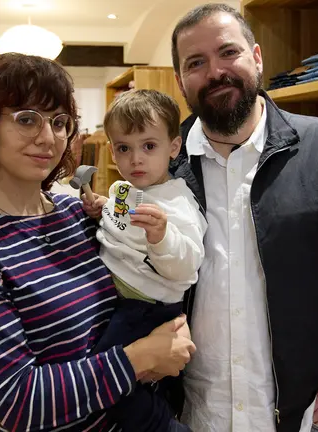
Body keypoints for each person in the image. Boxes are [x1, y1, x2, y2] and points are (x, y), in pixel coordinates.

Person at [168, 4, 318, 432]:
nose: (216, 71)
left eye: (228, 52)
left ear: (256, 57)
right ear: (180, 81)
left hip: (309, 414)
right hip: (194, 415)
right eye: (196, 63)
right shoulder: (161, 166)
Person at [0, 53, 196, 432]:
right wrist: (140, 358)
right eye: (26, 119)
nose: (47, 137)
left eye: (60, 122)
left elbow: (137, 277)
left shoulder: (73, 211)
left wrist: (173, 328)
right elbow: (16, 402)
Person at [81, 90, 207, 432]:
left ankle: (164, 426)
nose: (136, 159)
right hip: (122, 302)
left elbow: (187, 266)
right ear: (112, 151)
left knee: (106, 377)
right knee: (133, 378)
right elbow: (120, 223)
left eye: (149, 146)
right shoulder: (125, 189)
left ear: (173, 148)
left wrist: (162, 237)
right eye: (124, 148)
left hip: (146, 307)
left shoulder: (178, 202)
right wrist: (102, 208)